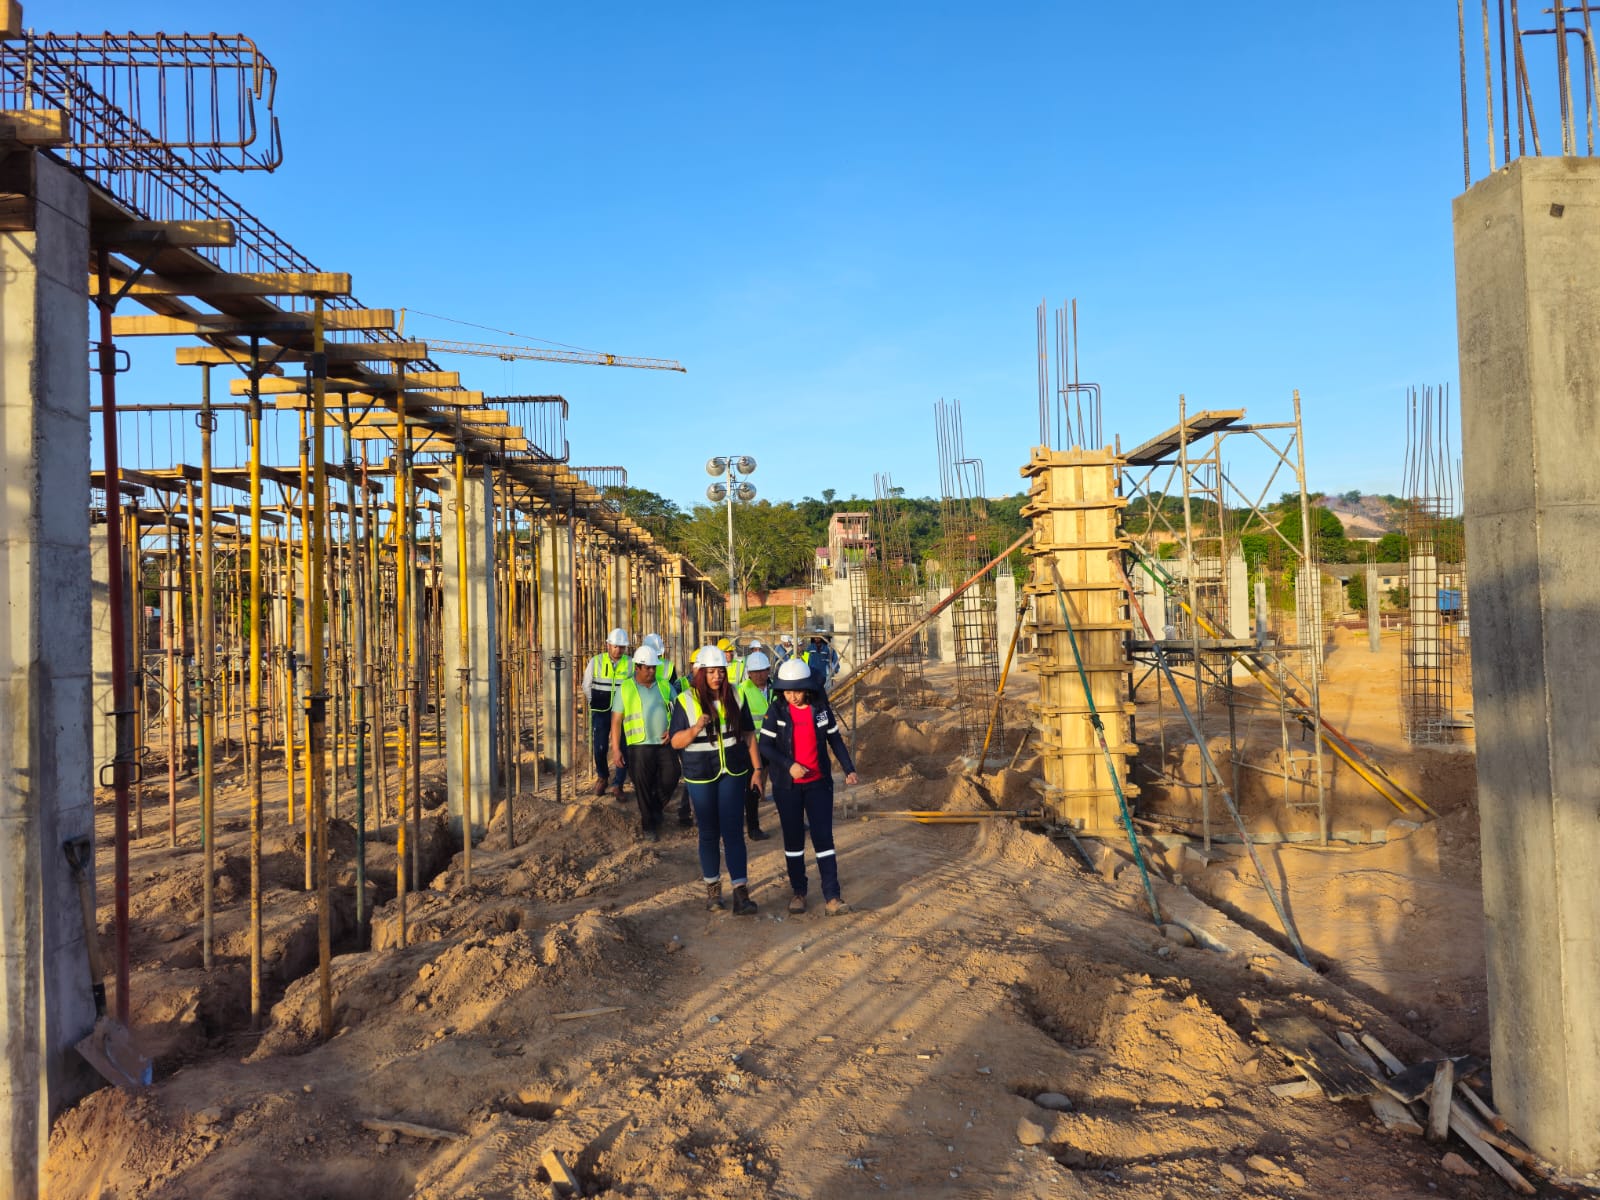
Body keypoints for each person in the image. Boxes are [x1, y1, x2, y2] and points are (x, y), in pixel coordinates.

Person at [759, 658, 859, 916]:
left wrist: (848, 769)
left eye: (798, 690)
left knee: (824, 839)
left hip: (818, 785)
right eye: (788, 691)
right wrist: (788, 764)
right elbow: (765, 746)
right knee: (793, 842)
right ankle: (798, 892)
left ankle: (832, 897)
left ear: (808, 689)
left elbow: (835, 740)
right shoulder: (777, 711)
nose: (792, 696)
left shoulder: (821, 709)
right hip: (787, 787)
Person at [669, 645, 761, 915]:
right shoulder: (685, 700)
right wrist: (696, 726)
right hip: (700, 775)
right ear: (701, 674)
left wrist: (756, 769)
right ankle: (713, 890)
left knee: (733, 831)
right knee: (709, 833)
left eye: (721, 671)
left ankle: (741, 893)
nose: (717, 676)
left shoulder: (736, 695)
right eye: (711, 672)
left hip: (731, 772)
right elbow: (676, 741)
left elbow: (748, 734)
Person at [609, 645, 676, 841]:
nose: (652, 671)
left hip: (664, 743)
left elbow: (678, 710)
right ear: (637, 667)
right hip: (638, 746)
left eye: (654, 667)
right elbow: (616, 720)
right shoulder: (626, 688)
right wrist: (616, 750)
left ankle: (655, 808)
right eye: (648, 668)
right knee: (643, 786)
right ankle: (649, 826)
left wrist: (673, 730)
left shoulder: (664, 685)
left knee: (672, 776)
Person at [581, 628, 632, 799]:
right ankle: (602, 776)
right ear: (608, 644)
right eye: (616, 646)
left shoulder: (630, 663)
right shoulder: (596, 661)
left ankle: (618, 783)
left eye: (622, 647)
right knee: (600, 747)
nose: (618, 650)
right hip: (601, 711)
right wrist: (593, 701)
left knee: (623, 747)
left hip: (623, 712)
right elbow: (586, 685)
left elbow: (633, 687)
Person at [736, 650, 774, 841]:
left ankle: (795, 819)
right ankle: (753, 827)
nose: (759, 675)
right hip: (752, 747)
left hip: (775, 745)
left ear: (769, 670)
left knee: (787, 785)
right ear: (749, 673)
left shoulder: (776, 690)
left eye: (763, 670)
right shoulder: (741, 691)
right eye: (755, 671)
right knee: (753, 788)